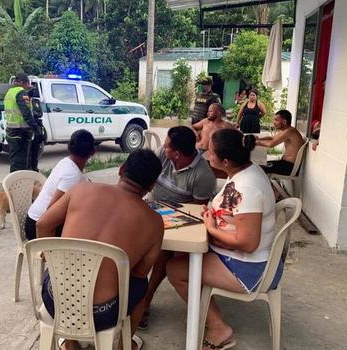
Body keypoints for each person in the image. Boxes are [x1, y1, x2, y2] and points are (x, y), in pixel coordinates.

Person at [166, 128, 282, 350]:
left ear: (226, 161)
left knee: (175, 270)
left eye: (210, 152)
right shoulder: (244, 172)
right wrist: (214, 214)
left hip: (250, 269)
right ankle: (204, 313)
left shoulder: (246, 187)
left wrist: (211, 227)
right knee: (182, 255)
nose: (206, 154)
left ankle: (218, 327)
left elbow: (248, 242)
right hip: (240, 257)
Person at [37, 149, 164, 350]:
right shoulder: (154, 222)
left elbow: (43, 224)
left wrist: (50, 257)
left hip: (56, 302)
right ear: (151, 186)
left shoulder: (81, 191)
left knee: (55, 270)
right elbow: (139, 273)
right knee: (141, 286)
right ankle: (124, 344)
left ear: (121, 170)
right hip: (103, 314)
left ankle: (71, 343)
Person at [140, 126, 216, 329]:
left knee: (163, 252)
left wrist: (169, 221)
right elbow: (143, 181)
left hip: (179, 221)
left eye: (166, 146)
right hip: (152, 209)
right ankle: (132, 296)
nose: (162, 148)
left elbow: (195, 213)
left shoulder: (203, 175)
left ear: (177, 153)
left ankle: (144, 301)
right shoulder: (162, 157)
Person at [25, 129, 95, 240]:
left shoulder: (66, 161)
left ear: (69, 148)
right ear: (93, 152)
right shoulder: (72, 175)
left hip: (33, 219)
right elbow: (50, 212)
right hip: (38, 229)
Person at [4, 73, 41, 172]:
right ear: (25, 83)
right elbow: (26, 113)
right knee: (20, 164)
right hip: (20, 132)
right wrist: (36, 129)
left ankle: (14, 183)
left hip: (11, 131)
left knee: (15, 161)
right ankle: (16, 185)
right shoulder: (21, 92)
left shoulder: (10, 92)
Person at [256, 110, 305, 175]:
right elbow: (272, 138)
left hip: (289, 167)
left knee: (259, 168)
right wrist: (259, 139)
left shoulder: (290, 131)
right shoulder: (285, 130)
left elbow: (271, 144)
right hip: (284, 163)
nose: (274, 122)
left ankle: (264, 184)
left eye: (276, 120)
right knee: (259, 166)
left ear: (284, 122)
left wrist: (257, 142)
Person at [28, 86, 45, 171]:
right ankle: (28, 167)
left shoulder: (35, 101)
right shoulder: (24, 100)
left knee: (36, 149)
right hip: (28, 128)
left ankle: (34, 167)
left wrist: (34, 114)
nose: (32, 92)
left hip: (36, 127)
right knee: (28, 151)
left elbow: (40, 113)